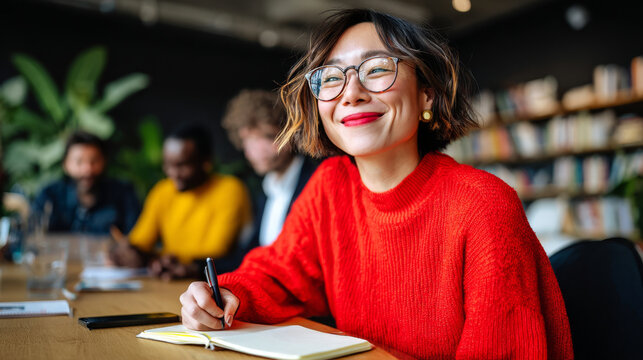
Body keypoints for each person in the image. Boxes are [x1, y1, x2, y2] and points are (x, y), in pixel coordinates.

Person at [179, 9, 573, 358]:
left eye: (378, 69)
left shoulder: (483, 204)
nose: (351, 93)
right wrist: (225, 295)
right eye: (330, 78)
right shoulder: (330, 186)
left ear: (427, 95)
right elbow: (278, 274)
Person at [110, 124, 252, 280]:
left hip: (213, 282)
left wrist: (160, 258)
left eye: (182, 165)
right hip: (171, 279)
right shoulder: (163, 190)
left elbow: (217, 250)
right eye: (168, 164)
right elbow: (141, 240)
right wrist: (129, 251)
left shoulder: (229, 189)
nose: (173, 173)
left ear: (206, 162)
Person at [217, 89, 318, 272]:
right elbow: (251, 254)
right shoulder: (266, 190)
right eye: (248, 139)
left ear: (291, 134)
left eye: (267, 137)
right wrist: (196, 267)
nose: (257, 149)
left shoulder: (316, 183)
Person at [32, 131, 140, 235]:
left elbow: (135, 238)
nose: (87, 170)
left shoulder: (123, 193)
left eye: (94, 161)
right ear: (65, 164)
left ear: (104, 161)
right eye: (79, 162)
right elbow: (34, 235)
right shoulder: (49, 196)